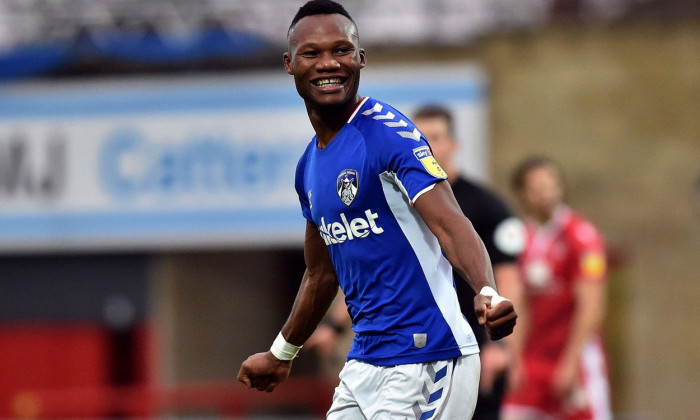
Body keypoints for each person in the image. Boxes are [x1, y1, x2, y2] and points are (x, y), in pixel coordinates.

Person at [236, 1, 518, 419]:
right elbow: (321, 273)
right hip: (365, 363)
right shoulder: (309, 167)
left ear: (361, 59)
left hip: (428, 355)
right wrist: (282, 353)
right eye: (312, 53)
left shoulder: (389, 135)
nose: (328, 63)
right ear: (289, 64)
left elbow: (451, 222)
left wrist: (486, 291)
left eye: (341, 50)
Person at [305, 105, 527, 420]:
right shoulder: (393, 196)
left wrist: (502, 348)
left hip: (463, 345)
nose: (428, 145)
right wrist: (334, 325)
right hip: (404, 349)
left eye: (436, 137)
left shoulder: (487, 206)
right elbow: (378, 271)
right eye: (422, 137)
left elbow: (510, 280)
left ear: (454, 144)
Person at [502, 157, 612, 420]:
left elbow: (592, 304)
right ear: (523, 194)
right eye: (537, 188)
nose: (546, 195)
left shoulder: (582, 236)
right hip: (532, 360)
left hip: (573, 356)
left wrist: (571, 361)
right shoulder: (517, 238)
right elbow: (516, 303)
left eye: (551, 186)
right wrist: (513, 358)